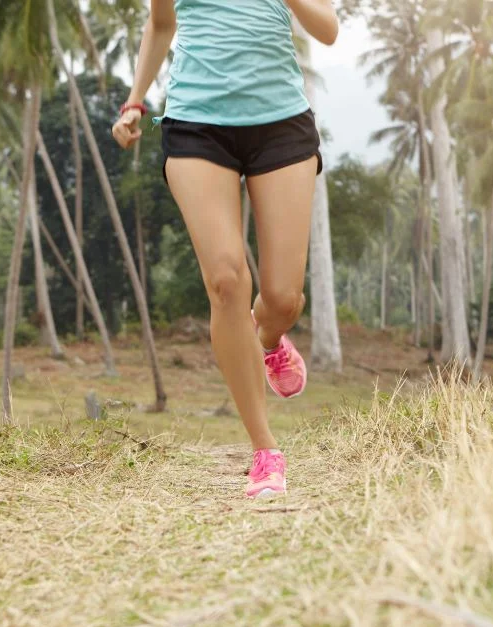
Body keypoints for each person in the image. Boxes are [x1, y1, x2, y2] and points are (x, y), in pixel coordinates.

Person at [112, 0, 338, 499]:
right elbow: (161, 23)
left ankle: (269, 339)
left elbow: (328, 30)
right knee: (227, 280)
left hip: (281, 127)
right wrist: (135, 102)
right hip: (195, 127)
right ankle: (265, 449)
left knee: (283, 299)